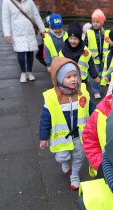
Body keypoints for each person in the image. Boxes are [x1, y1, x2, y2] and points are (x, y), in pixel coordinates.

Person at [39, 57, 96, 190]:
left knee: (79, 156)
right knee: (62, 157)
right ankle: (65, 163)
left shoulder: (83, 93)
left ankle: (75, 174)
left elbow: (92, 109)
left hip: (79, 135)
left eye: (75, 75)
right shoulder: (52, 98)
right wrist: (43, 136)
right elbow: (45, 119)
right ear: (59, 79)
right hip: (62, 136)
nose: (73, 79)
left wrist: (100, 118)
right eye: (68, 76)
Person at [2, 0, 45, 83]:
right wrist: (7, 34)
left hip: (29, 32)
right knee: (20, 53)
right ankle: (23, 73)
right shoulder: (7, 2)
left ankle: (29, 72)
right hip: (17, 33)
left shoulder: (29, 1)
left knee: (29, 52)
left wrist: (42, 29)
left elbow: (36, 15)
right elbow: (6, 19)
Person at [59, 20, 100, 85]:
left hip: (82, 80)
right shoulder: (64, 50)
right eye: (71, 38)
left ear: (80, 39)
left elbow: (91, 65)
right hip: (68, 80)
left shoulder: (85, 50)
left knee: (82, 94)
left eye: (75, 39)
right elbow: (60, 65)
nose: (73, 41)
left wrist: (95, 76)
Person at [84, 9, 110, 99]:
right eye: (93, 21)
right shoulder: (89, 32)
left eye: (97, 22)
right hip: (93, 59)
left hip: (104, 58)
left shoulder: (106, 32)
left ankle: (104, 88)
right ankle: (96, 91)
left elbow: (109, 44)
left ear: (102, 22)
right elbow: (85, 44)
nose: (95, 24)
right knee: (93, 74)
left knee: (103, 73)